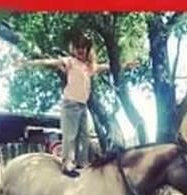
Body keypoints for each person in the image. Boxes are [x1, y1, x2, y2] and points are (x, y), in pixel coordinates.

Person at [15, 32, 137, 178]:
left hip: (82, 106)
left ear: (87, 50)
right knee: (70, 135)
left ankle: (82, 163)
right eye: (78, 47)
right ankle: (67, 164)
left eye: (83, 48)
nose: (80, 50)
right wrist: (27, 63)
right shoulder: (70, 62)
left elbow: (107, 67)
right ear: (74, 49)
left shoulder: (88, 67)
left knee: (83, 136)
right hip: (70, 104)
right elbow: (50, 62)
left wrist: (125, 66)